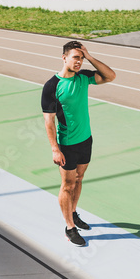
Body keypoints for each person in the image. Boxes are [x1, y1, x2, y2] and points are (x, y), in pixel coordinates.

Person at [41, 41, 116, 246]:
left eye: (81, 58)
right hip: (67, 144)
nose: (79, 61)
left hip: (86, 140)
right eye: (76, 57)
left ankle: (73, 213)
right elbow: (49, 121)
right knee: (67, 184)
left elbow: (110, 76)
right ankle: (69, 227)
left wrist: (90, 57)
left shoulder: (84, 77)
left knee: (79, 178)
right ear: (64, 58)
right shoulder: (52, 86)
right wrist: (55, 149)